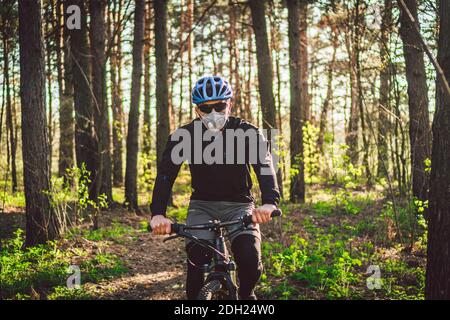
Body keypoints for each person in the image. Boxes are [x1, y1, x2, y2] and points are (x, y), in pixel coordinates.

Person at [149, 75, 280, 300]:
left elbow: (265, 166)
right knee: (196, 263)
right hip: (202, 206)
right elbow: (165, 176)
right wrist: (158, 214)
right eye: (205, 108)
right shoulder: (183, 136)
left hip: (240, 205)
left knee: (249, 259)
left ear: (230, 103)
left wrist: (269, 202)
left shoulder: (247, 132)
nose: (213, 114)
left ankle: (246, 295)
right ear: (197, 110)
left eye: (219, 106)